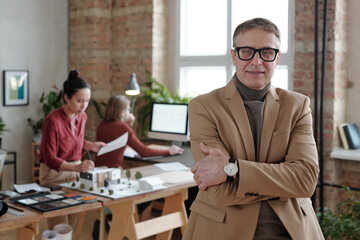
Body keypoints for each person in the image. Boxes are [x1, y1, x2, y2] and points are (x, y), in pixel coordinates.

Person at [183, 18, 324, 240]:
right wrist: (282, 184)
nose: (257, 61)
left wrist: (233, 170)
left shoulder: (297, 106)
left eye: (267, 52)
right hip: (223, 230)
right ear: (234, 56)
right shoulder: (204, 106)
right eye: (246, 51)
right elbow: (218, 192)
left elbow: (305, 181)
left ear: (277, 57)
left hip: (290, 230)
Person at [39, 69, 105, 230]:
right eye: (80, 101)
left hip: (76, 175)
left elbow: (75, 141)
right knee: (59, 226)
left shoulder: (82, 117)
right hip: (54, 175)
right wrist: (76, 166)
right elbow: (50, 158)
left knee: (70, 225)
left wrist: (90, 145)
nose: (84, 106)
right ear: (67, 98)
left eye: (87, 101)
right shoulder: (52, 121)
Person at [95, 95, 183, 168]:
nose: (130, 112)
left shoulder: (102, 124)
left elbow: (119, 141)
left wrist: (128, 124)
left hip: (98, 170)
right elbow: (143, 152)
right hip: (112, 173)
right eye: (129, 110)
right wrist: (168, 151)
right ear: (123, 112)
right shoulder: (123, 128)